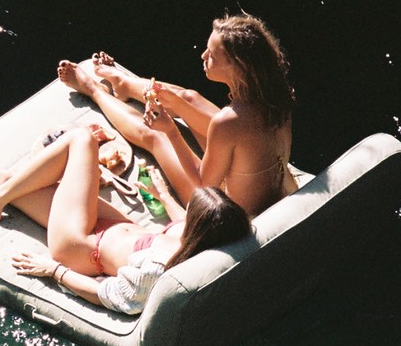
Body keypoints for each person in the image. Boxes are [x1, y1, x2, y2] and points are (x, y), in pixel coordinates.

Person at [0, 121, 251, 315]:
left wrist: (52, 270)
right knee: (19, 185)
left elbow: (107, 295)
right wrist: (163, 194)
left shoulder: (157, 272)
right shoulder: (202, 236)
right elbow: (179, 220)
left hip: (80, 248)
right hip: (110, 228)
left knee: (80, 140)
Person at [57, 12, 296, 218]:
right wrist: (181, 106)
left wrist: (170, 131)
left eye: (212, 55)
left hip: (231, 212)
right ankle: (124, 84)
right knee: (188, 98)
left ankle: (94, 91)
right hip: (276, 190)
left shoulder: (229, 121)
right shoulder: (275, 95)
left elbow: (205, 186)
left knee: (155, 136)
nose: (203, 56)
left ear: (238, 66)